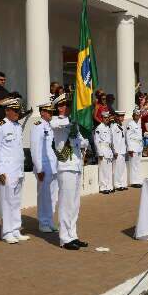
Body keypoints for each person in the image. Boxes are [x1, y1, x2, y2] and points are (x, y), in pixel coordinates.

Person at [51, 94, 90, 250]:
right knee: (66, 203)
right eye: (67, 105)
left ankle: (73, 235)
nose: (69, 108)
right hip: (65, 166)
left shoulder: (74, 124)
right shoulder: (57, 121)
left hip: (76, 165)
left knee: (75, 204)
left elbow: (84, 142)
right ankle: (64, 238)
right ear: (60, 107)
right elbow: (57, 126)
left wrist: (81, 128)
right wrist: (75, 120)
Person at [0, 98, 28, 244]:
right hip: (6, 170)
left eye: (19, 111)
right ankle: (7, 232)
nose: (18, 113)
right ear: (7, 111)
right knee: (7, 201)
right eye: (15, 110)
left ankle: (15, 229)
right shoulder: (0, 127)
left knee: (16, 201)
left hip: (18, 170)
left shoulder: (17, 126)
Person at [30, 101, 59, 233]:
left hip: (52, 164)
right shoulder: (38, 125)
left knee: (52, 195)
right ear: (42, 112)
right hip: (43, 166)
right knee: (44, 195)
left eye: (52, 111)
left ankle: (50, 220)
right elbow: (35, 148)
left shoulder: (49, 125)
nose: (51, 113)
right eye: (48, 111)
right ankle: (43, 222)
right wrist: (39, 168)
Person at [94, 111, 114, 194]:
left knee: (109, 170)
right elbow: (97, 141)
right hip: (102, 150)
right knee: (103, 170)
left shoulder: (108, 128)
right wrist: (100, 153)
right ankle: (103, 187)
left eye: (108, 118)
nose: (107, 119)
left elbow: (110, 141)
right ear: (102, 118)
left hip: (108, 150)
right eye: (105, 118)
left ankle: (109, 186)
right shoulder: (99, 128)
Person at [126, 108, 143, 188]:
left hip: (139, 147)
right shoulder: (130, 124)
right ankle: (134, 182)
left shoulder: (138, 124)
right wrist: (130, 148)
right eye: (136, 115)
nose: (138, 116)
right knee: (133, 165)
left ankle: (138, 180)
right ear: (133, 116)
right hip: (133, 147)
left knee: (138, 165)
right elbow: (128, 137)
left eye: (138, 115)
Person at [111, 111, 128, 191]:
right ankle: (117, 184)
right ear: (116, 117)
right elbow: (112, 140)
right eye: (120, 116)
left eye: (122, 116)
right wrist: (114, 150)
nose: (121, 118)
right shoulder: (113, 126)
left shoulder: (123, 126)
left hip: (122, 150)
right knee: (116, 168)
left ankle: (121, 183)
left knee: (121, 168)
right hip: (117, 150)